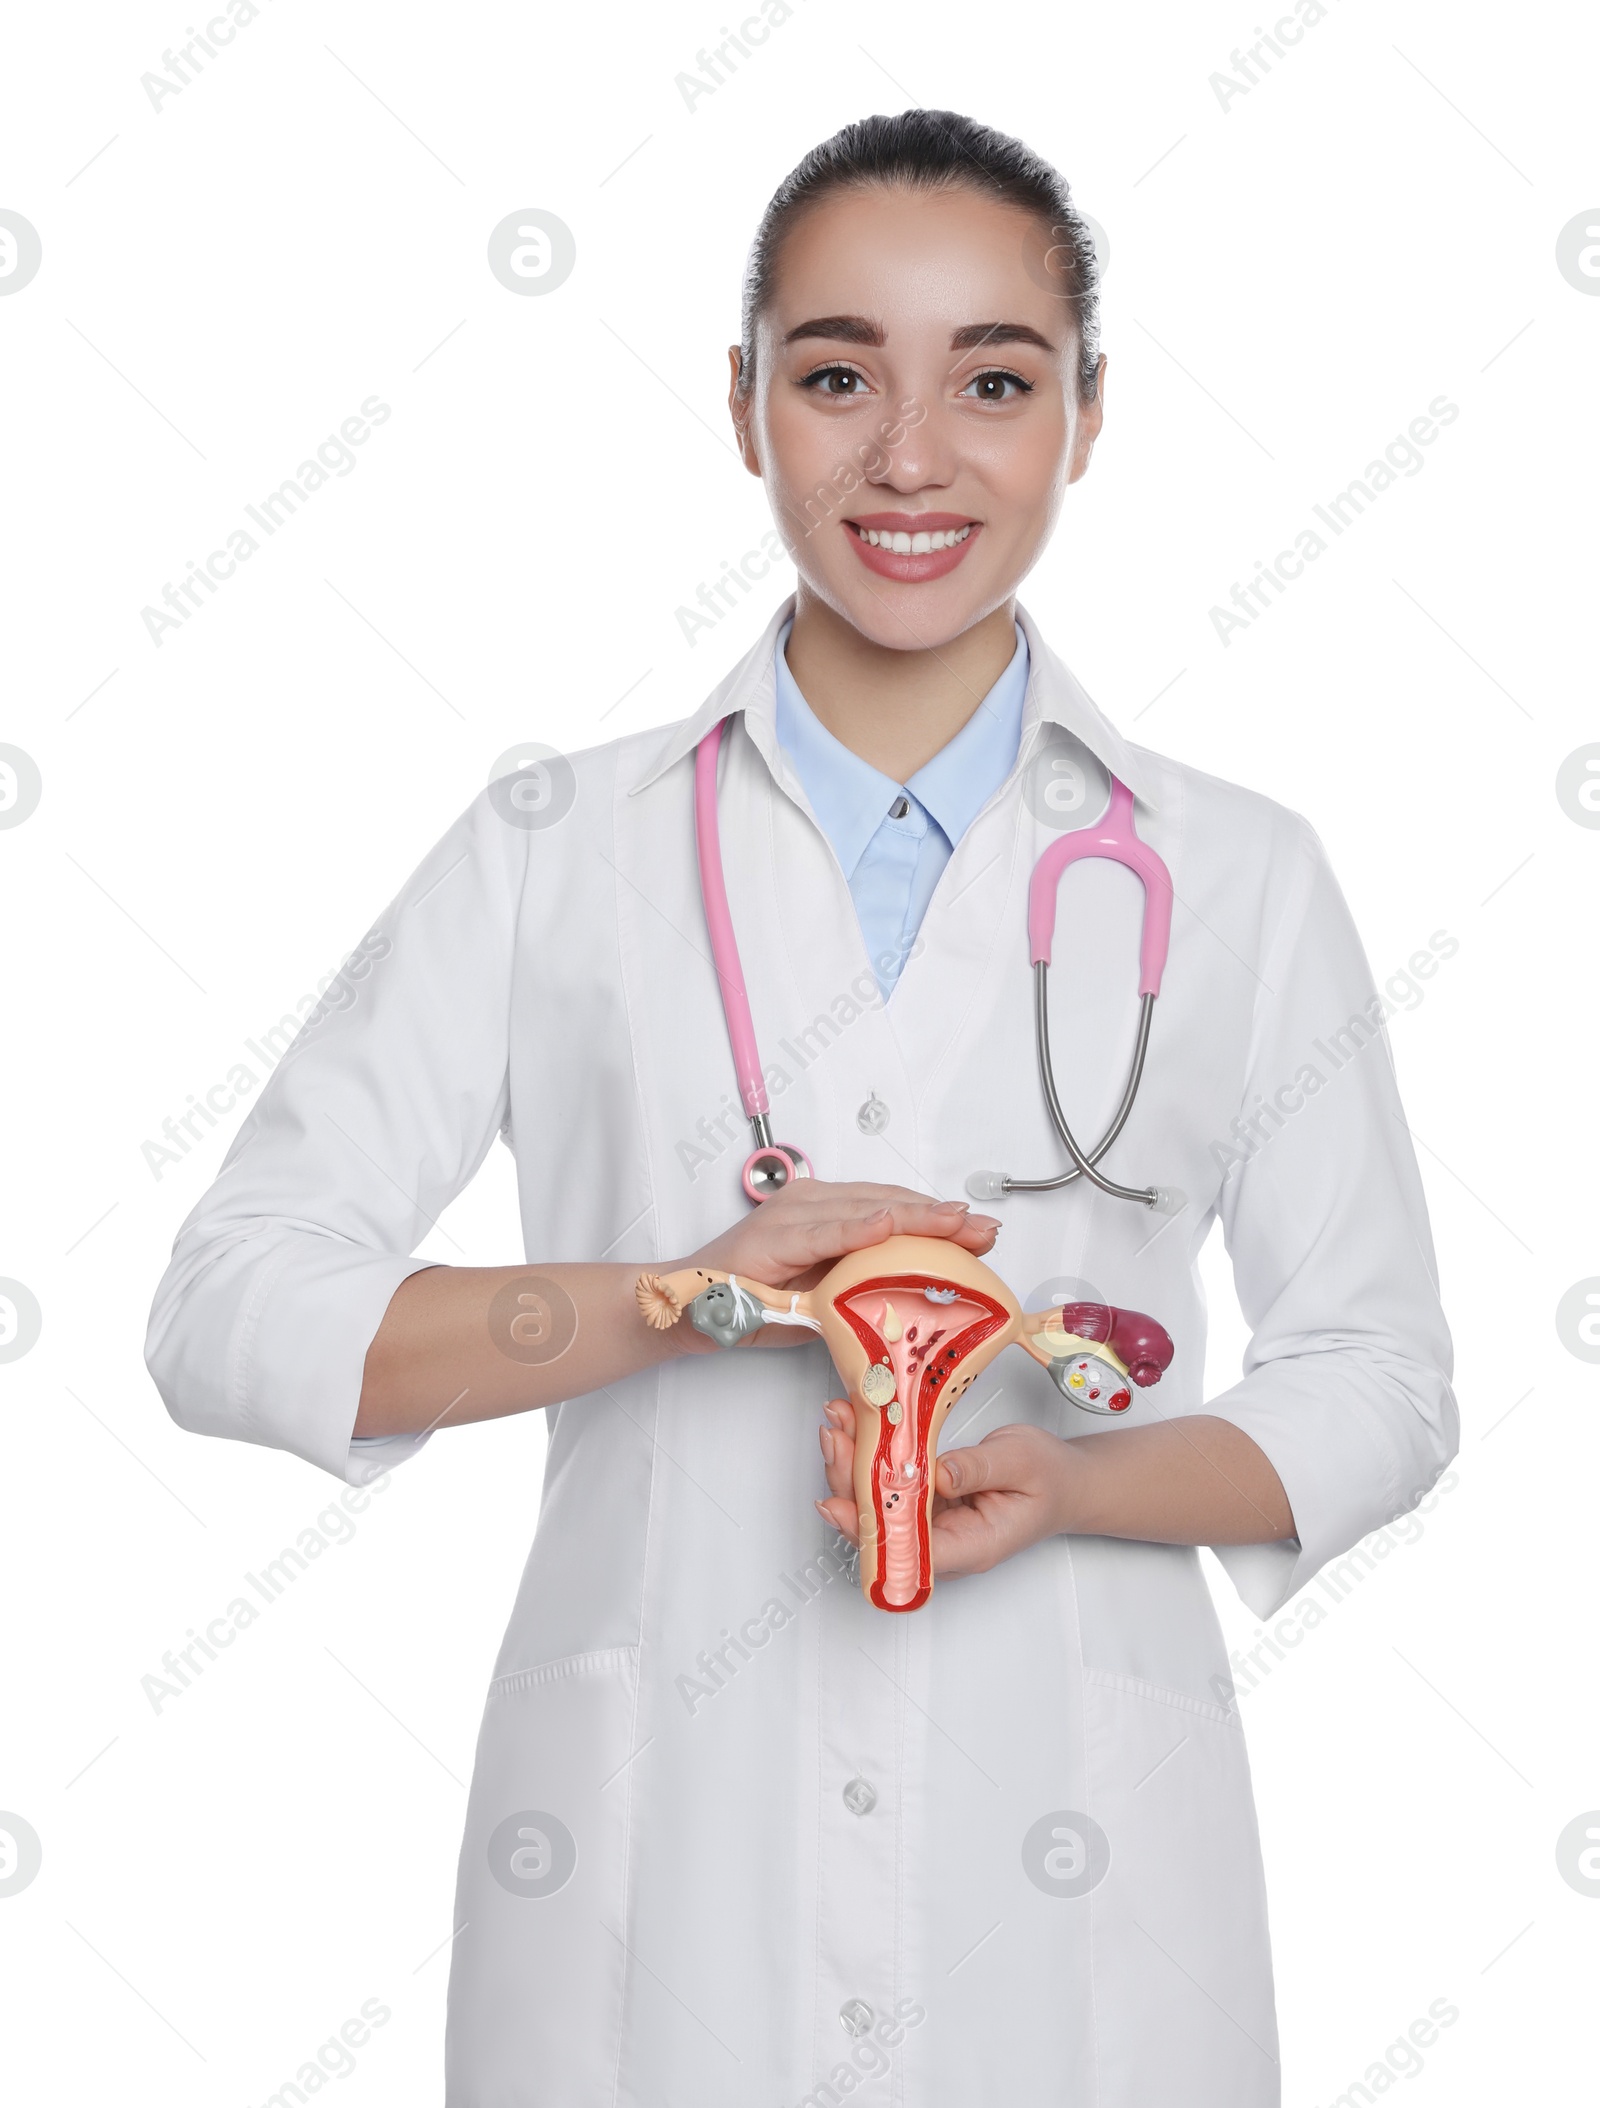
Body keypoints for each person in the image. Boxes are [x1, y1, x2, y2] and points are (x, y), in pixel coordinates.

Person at [145, 109, 1457, 2106]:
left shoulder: (1237, 871)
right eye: (835, 373)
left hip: (1082, 1877)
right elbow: (230, 1308)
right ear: (742, 401)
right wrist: (671, 1298)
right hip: (652, 1866)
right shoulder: (549, 848)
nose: (908, 457)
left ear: (1087, 417)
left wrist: (1084, 1489)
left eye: (991, 382)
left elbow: (1374, 1374)